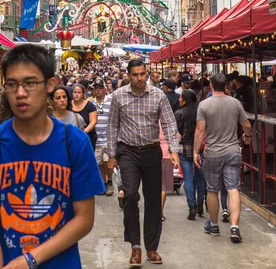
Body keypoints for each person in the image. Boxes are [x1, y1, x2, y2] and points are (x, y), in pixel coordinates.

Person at [0, 44, 104, 268]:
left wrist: (31, 259)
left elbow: (84, 219)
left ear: (50, 84)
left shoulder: (74, 142)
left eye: (30, 83)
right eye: (12, 85)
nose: (20, 93)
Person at [108, 59, 181, 266]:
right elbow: (113, 126)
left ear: (146, 73)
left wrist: (174, 150)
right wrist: (112, 155)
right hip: (127, 152)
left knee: (153, 201)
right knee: (130, 195)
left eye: (142, 74)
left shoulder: (158, 95)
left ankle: (151, 247)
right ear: (129, 75)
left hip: (151, 152)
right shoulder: (118, 96)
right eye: (135, 75)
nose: (139, 78)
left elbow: (168, 122)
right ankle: (135, 247)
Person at [193, 73, 252, 243]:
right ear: (226, 85)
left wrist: (196, 151)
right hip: (232, 151)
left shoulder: (204, 105)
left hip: (212, 153)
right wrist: (247, 137)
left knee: (212, 190)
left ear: (211, 85)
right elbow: (246, 124)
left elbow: (200, 130)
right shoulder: (235, 103)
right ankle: (234, 227)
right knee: (233, 188)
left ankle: (214, 225)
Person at [175, 89, 206, 220]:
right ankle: (200, 204)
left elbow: (178, 136)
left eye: (181, 98)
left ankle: (191, 207)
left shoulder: (179, 114)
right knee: (200, 178)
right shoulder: (201, 113)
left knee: (188, 178)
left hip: (185, 149)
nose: (179, 99)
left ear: (186, 99)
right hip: (200, 149)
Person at [91, 77, 114, 196]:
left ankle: (110, 182)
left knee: (107, 161)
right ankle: (103, 184)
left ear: (105, 89)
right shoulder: (91, 103)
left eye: (100, 88)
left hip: (108, 137)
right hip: (96, 138)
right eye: (96, 88)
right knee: (99, 162)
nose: (98, 90)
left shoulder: (111, 101)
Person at [71, 84, 98, 149]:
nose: (76, 94)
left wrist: (84, 132)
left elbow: (93, 121)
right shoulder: (68, 105)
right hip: (71, 138)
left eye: (79, 92)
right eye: (75, 92)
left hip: (87, 138)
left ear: (83, 94)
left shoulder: (90, 106)